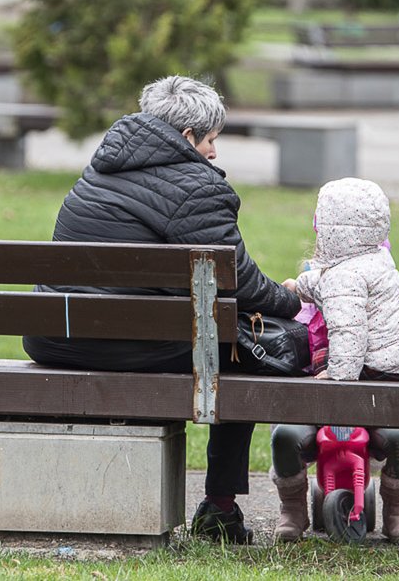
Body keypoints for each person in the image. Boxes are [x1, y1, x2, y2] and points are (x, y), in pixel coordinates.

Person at [22, 75, 301, 544]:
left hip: (55, 337)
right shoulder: (197, 186)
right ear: (188, 138)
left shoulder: (99, 170)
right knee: (239, 352)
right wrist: (292, 300)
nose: (215, 152)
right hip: (122, 346)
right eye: (212, 140)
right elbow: (242, 285)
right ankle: (219, 508)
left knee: (216, 333)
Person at [269, 177, 399, 543]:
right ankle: (291, 510)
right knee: (285, 436)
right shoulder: (339, 276)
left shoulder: (360, 278)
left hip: (367, 390)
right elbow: (320, 286)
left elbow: (350, 332)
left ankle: (398, 511)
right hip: (324, 401)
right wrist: (295, 288)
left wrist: (338, 375)